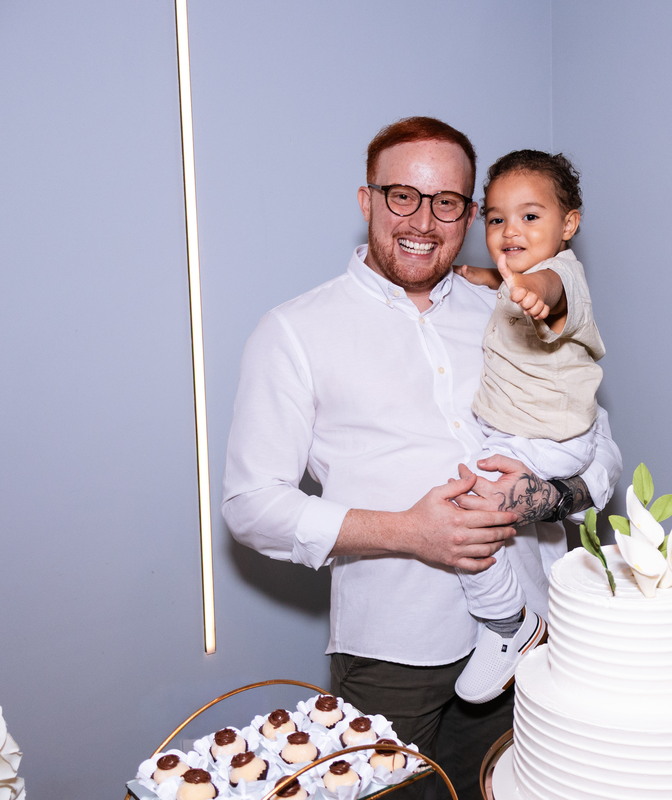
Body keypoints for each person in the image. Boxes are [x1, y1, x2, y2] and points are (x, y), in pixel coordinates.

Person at [222, 116, 621, 799]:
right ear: (367, 200)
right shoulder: (294, 331)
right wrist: (410, 531)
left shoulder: (510, 304)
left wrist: (545, 498)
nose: (424, 221)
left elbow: (598, 446)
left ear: (470, 212)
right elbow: (251, 506)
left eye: (447, 203)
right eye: (402, 195)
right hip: (392, 649)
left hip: (534, 634)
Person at [450, 150, 606, 704]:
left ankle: (508, 624)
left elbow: (549, 285)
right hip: (526, 434)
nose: (510, 229)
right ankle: (554, 622)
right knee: (532, 543)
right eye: (496, 219)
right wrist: (485, 275)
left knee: (469, 510)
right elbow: (516, 277)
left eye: (530, 216)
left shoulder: (560, 277)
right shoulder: (515, 277)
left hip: (548, 440)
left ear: (569, 224)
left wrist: (534, 293)